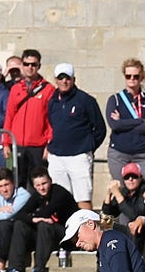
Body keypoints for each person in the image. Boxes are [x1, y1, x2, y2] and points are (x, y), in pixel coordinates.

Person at [45, 63, 106, 209]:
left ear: (73, 79)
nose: (64, 81)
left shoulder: (85, 100)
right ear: (56, 80)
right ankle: (65, 231)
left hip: (79, 156)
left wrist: (88, 146)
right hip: (57, 157)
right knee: (59, 198)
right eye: (61, 78)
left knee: (82, 196)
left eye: (67, 78)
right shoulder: (52, 101)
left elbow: (100, 129)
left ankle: (86, 230)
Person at [11, 169, 77, 272]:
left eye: (44, 183)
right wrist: (33, 218)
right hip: (48, 234)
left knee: (43, 225)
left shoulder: (59, 192)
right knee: (20, 225)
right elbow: (19, 215)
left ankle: (39, 271)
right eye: (38, 185)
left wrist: (35, 217)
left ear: (50, 181)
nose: (42, 188)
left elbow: (47, 212)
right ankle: (16, 270)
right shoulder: (38, 195)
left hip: (69, 235)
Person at [4, 51, 54, 186]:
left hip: (38, 145)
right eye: (26, 64)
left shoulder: (48, 89)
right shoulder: (15, 88)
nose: (30, 67)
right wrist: (6, 143)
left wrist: (49, 144)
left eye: (34, 64)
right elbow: (9, 115)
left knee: (38, 183)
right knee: (17, 182)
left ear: (39, 66)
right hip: (18, 143)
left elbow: (51, 119)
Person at [104, 58, 145, 177]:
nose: (132, 79)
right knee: (120, 188)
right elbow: (114, 125)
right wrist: (140, 121)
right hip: (119, 153)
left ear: (141, 77)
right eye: (128, 76)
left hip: (143, 153)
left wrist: (123, 122)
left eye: (136, 76)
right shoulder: (115, 99)